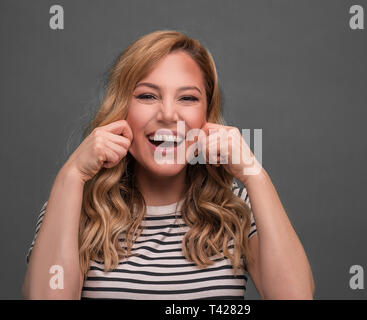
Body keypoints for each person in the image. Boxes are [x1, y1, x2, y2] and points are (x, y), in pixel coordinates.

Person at [22, 30, 315, 300]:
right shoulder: (73, 206)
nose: (168, 114)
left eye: (187, 98)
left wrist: (254, 174)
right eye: (147, 96)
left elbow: (295, 296)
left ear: (206, 115)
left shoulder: (237, 208)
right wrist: (71, 176)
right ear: (121, 107)